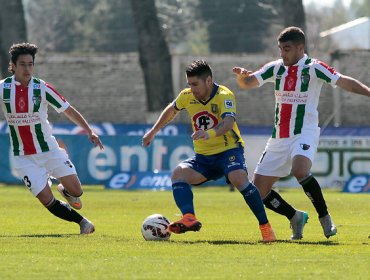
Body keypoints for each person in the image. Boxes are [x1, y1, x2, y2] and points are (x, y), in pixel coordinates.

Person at [233, 26, 370, 240]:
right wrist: (242, 78)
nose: (282, 54)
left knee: (300, 169)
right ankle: (295, 216)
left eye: (286, 49)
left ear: (300, 47)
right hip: (279, 137)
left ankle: (325, 217)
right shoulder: (276, 68)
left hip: (304, 132)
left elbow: (345, 82)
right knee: (256, 192)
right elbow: (249, 83)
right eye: (280, 49)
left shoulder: (315, 68)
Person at [142, 60, 276, 242]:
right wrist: (153, 131)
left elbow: (228, 123)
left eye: (195, 84)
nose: (192, 89)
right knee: (178, 174)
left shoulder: (224, 95)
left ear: (208, 80)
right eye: (189, 84)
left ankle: (265, 227)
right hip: (204, 158)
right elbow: (171, 110)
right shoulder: (187, 96)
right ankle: (189, 217)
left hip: (229, 151)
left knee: (239, 179)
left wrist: (209, 133)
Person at [0, 43, 104, 234]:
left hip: (49, 150)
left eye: (30, 64)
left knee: (77, 191)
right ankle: (83, 223)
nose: (27, 68)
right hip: (23, 156)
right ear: (13, 65)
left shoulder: (42, 88)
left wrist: (89, 130)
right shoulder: (3, 88)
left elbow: (68, 110)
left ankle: (66, 190)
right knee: (46, 200)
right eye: (22, 64)